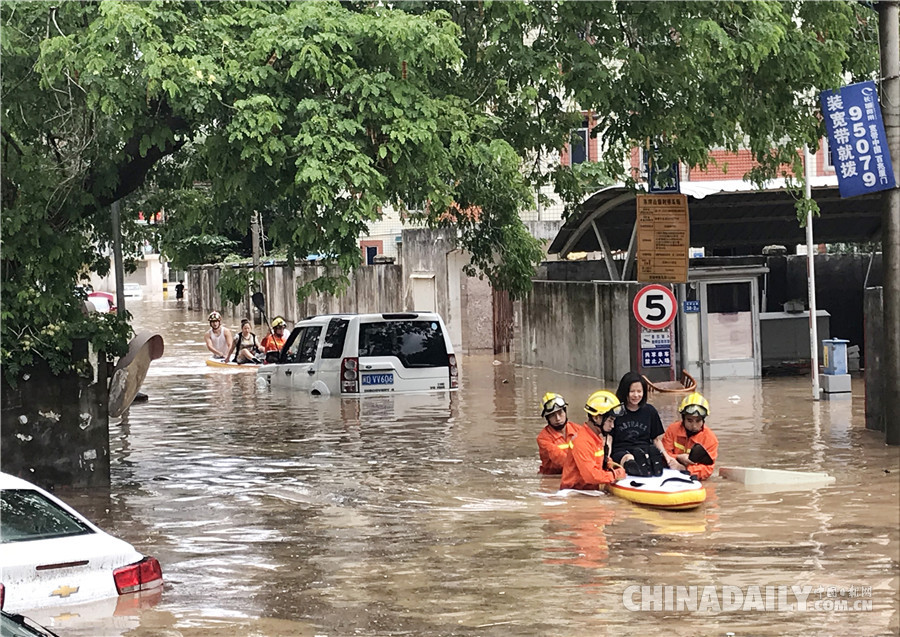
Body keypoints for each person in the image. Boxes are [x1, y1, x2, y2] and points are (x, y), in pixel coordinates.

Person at [560, 390, 627, 490]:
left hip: (586, 491)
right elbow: (591, 476)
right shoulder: (582, 441)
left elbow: (601, 462)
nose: (612, 426)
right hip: (575, 494)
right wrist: (615, 474)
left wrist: (615, 466)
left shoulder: (595, 437)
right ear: (596, 418)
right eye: (610, 420)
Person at [611, 371, 672, 477]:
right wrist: (606, 458)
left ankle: (651, 466)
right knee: (629, 458)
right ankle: (635, 467)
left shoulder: (650, 411)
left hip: (644, 449)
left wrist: (667, 457)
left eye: (639, 391)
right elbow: (608, 438)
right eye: (632, 391)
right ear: (625, 391)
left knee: (649, 454)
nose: (636, 395)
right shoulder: (616, 411)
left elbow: (656, 439)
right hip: (622, 450)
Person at [662, 392, 719, 480]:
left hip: (692, 476)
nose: (694, 425)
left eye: (698, 420)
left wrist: (685, 469)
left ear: (703, 420)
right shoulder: (672, 430)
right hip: (670, 471)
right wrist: (678, 457)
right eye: (690, 420)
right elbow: (664, 454)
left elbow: (708, 468)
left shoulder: (710, 439)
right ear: (683, 418)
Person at [536, 392, 581, 475]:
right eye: (552, 415)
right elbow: (559, 458)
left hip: (575, 472)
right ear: (547, 418)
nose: (558, 418)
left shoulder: (579, 430)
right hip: (552, 476)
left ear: (565, 412)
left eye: (560, 413)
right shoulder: (543, 438)